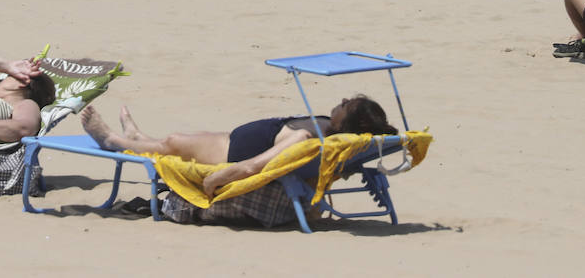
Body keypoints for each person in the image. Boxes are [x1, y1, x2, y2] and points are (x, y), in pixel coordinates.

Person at [78, 96, 395, 200]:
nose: (339, 103)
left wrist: (225, 176)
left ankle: (115, 141)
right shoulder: (328, 134)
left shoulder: (306, 141)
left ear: (347, 123)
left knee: (173, 143)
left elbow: (257, 165)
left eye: (346, 105)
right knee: (174, 141)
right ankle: (137, 136)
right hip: (232, 141)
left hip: (230, 154)